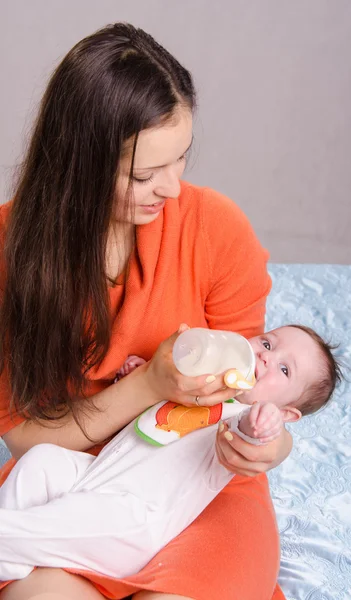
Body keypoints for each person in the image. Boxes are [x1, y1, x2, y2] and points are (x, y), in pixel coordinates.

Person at [0, 21, 283, 600]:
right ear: (75, 165)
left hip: (198, 481)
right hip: (80, 480)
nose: (173, 189)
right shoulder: (10, 251)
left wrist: (263, 445)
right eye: (144, 174)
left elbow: (245, 393)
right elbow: (25, 435)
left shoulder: (216, 230)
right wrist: (149, 383)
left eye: (181, 158)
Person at [0, 325, 341, 582]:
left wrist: (265, 424)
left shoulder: (239, 417)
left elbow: (251, 436)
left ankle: (12, 539)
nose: (267, 356)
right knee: (41, 460)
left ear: (287, 413)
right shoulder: (203, 383)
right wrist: (137, 373)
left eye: (284, 370)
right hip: (96, 475)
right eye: (267, 343)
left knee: (73, 516)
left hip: (133, 519)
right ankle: (12, 560)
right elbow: (151, 401)